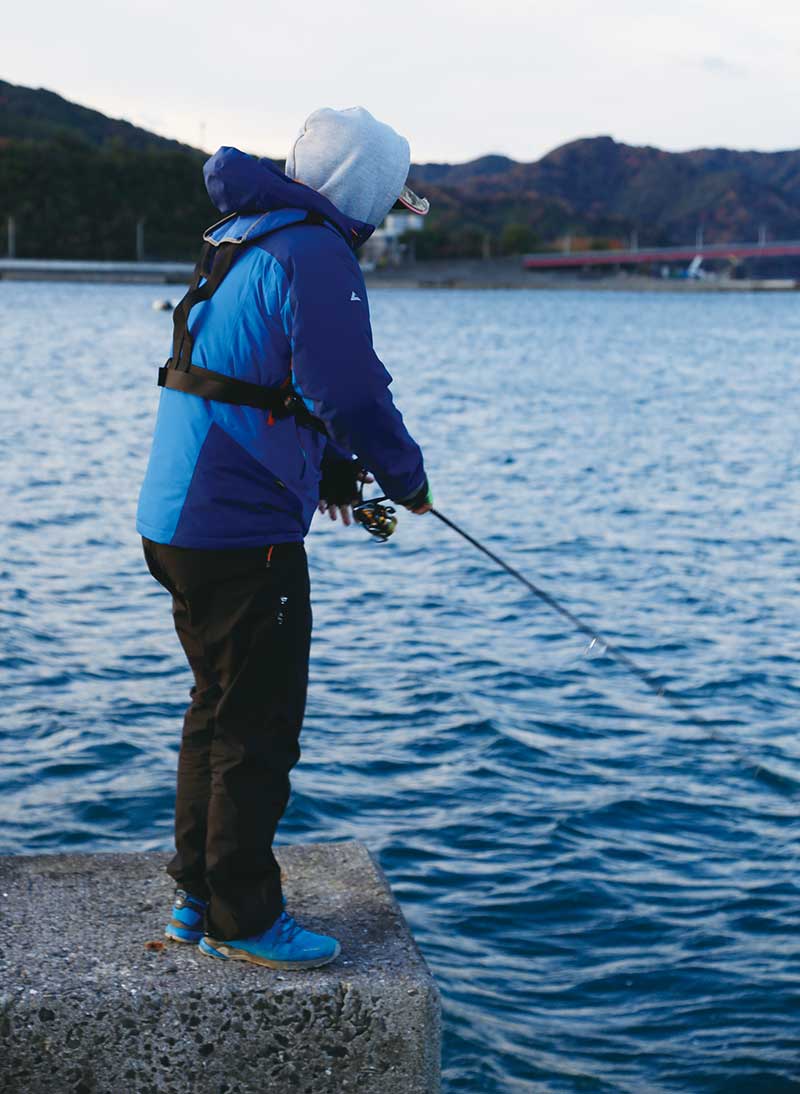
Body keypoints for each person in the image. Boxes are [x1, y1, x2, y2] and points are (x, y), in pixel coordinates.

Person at [136, 107, 432, 971]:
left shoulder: (246, 234)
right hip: (240, 533)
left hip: (179, 521)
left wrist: (335, 475)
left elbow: (259, 375)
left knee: (216, 712)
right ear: (367, 194)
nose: (381, 227)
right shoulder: (318, 252)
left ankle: (197, 893)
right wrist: (403, 478)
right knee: (257, 728)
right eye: (385, 205)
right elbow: (349, 390)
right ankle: (243, 917)